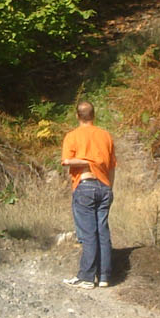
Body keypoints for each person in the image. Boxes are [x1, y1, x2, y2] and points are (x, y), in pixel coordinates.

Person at [60, 101, 116, 289]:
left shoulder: (72, 136)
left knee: (88, 232)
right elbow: (112, 167)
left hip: (85, 185)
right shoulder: (106, 136)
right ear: (94, 115)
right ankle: (104, 276)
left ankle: (86, 277)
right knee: (102, 231)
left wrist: (86, 162)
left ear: (77, 116)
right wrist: (110, 188)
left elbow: (66, 161)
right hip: (105, 187)